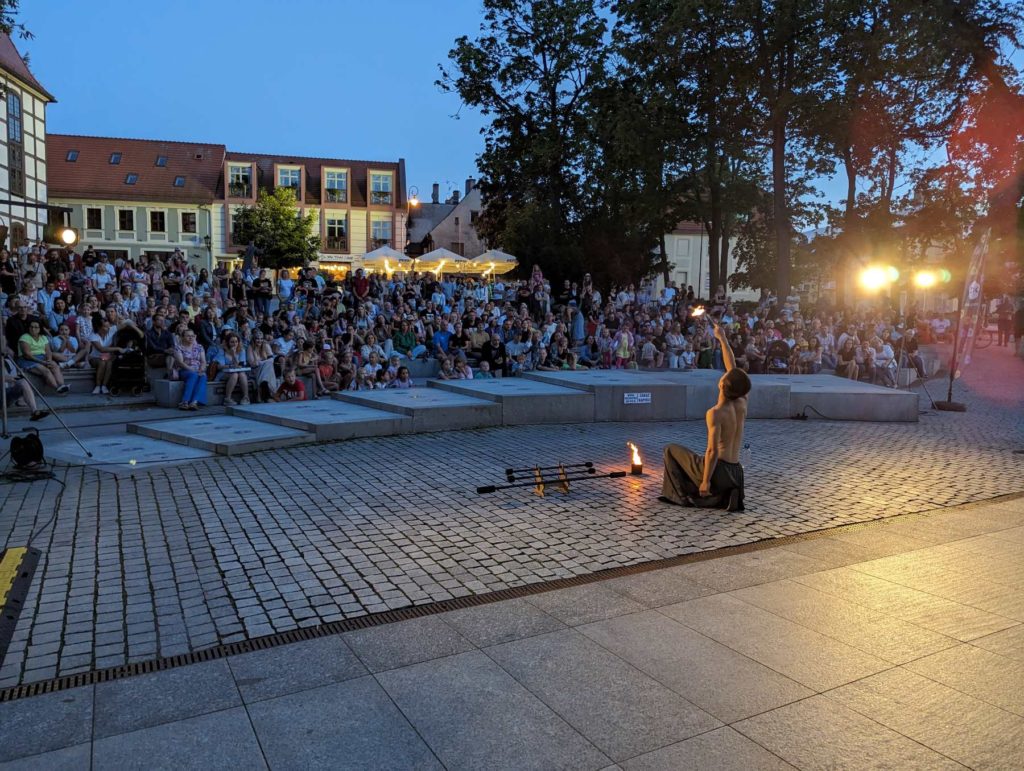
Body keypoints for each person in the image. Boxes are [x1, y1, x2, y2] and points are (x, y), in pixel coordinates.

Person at [661, 318, 748, 512]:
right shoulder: (742, 402)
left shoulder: (716, 413)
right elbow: (733, 369)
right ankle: (728, 493)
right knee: (698, 462)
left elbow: (712, 452)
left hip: (719, 471)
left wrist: (706, 481)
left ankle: (681, 497)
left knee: (670, 450)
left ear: (722, 386)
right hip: (736, 471)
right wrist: (722, 338)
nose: (724, 374)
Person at [172, 329, 207, 410]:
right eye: (188, 336)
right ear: (182, 337)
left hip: (197, 370)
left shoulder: (199, 347)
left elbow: (203, 361)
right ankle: (185, 402)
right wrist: (192, 370)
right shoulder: (178, 348)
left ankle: (194, 402)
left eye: (192, 336)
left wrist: (201, 369)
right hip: (184, 370)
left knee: (203, 376)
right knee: (193, 375)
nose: (191, 338)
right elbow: (180, 363)